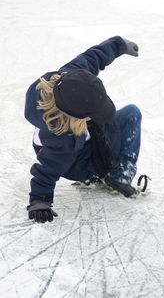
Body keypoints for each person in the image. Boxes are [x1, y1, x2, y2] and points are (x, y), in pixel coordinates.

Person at [25, 36, 142, 223]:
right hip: (83, 165)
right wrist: (40, 201)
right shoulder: (62, 140)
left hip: (90, 135)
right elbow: (46, 170)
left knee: (131, 113)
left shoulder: (71, 78)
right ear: (76, 118)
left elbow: (91, 58)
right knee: (120, 121)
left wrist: (119, 45)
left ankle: (117, 169)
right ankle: (117, 176)